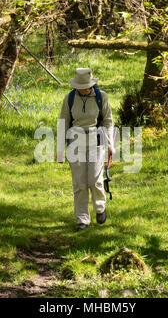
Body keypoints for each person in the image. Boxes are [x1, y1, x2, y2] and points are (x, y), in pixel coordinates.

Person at [57, 68, 115, 231]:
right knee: (79, 184)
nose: (82, 89)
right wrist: (60, 150)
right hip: (75, 145)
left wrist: (110, 144)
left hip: (96, 142)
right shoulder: (69, 98)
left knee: (95, 180)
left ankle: (100, 207)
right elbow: (63, 123)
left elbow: (108, 121)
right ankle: (82, 218)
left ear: (91, 85)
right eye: (79, 86)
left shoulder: (100, 97)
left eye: (85, 86)